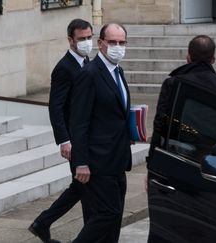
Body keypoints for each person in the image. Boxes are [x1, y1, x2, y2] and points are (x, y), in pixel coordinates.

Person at [28, 18, 93, 243]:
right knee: (83, 186)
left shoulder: (87, 62)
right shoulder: (64, 68)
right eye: (82, 39)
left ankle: (43, 223)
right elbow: (56, 107)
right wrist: (64, 140)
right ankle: (87, 232)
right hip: (74, 139)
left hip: (87, 137)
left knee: (81, 186)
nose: (86, 43)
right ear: (70, 40)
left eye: (89, 38)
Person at [147, 35, 216, 162]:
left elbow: (160, 124)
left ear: (188, 57)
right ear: (213, 60)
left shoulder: (173, 84)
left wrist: (152, 162)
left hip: (179, 157)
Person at [69, 23, 131, 243]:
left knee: (115, 219)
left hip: (118, 159)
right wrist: (81, 162)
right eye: (112, 42)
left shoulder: (118, 71)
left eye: (121, 43)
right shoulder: (90, 73)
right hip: (98, 160)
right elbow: (79, 122)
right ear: (101, 43)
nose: (117, 47)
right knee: (108, 213)